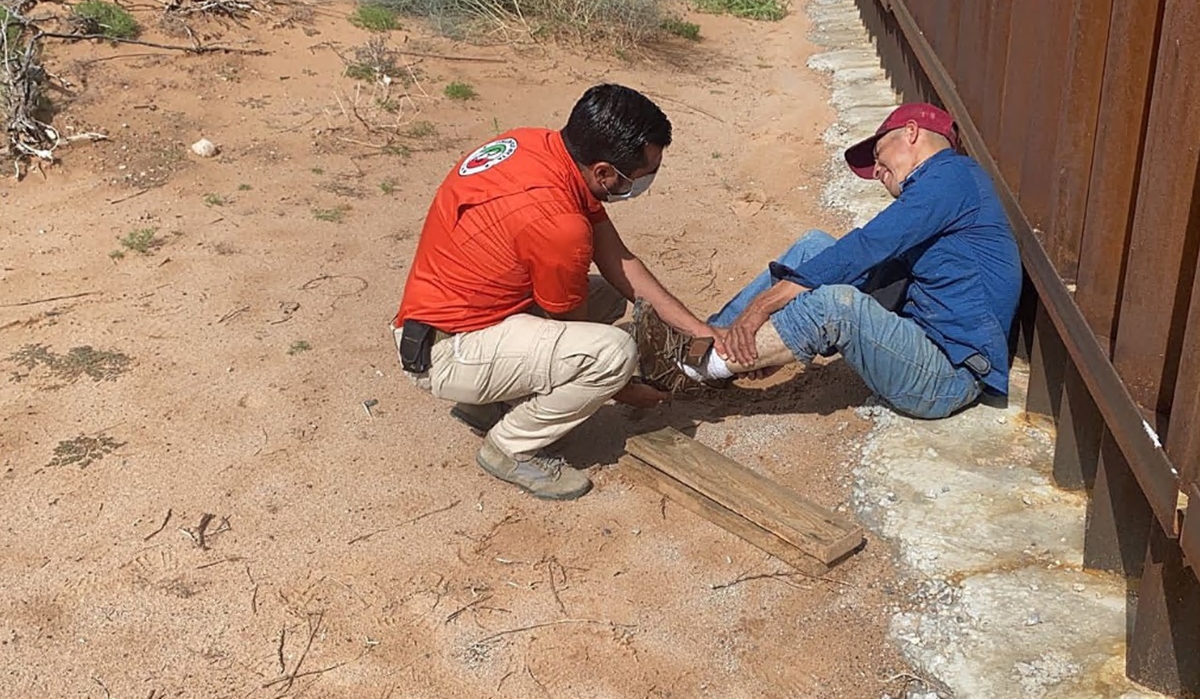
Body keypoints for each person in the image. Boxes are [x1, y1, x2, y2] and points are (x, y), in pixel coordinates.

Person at [392, 83, 718, 501]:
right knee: (612, 354)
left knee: (606, 295)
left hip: (439, 322)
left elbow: (618, 260)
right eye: (642, 175)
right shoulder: (559, 225)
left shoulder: (532, 146)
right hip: (444, 354)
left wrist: (698, 328)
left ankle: (485, 404)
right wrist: (629, 390)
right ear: (604, 173)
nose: (646, 181)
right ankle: (510, 448)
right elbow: (575, 333)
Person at [635, 102, 1021, 419]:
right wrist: (778, 337)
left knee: (836, 304)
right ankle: (707, 340)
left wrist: (763, 308)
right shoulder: (942, 191)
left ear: (912, 132)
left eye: (879, 157)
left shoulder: (952, 176)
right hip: (914, 344)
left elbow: (867, 247)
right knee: (814, 246)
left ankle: (697, 368)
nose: (878, 174)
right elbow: (878, 278)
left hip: (947, 375)